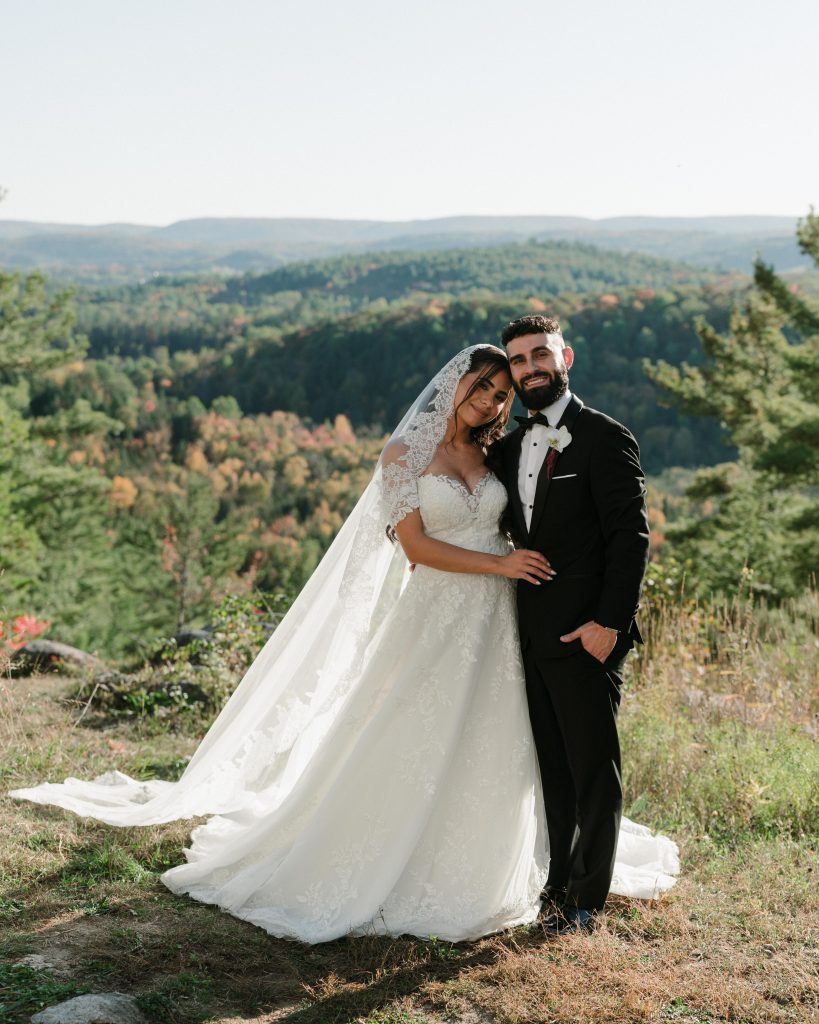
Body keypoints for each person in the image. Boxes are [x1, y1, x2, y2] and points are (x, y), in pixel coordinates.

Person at [11, 344, 678, 943]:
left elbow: (555, 521)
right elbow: (415, 544)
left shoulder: (497, 450)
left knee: (501, 740)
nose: (491, 402)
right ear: (453, 386)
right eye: (482, 388)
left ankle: (518, 865)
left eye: (500, 394)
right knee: (405, 728)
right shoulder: (403, 457)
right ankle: (382, 855)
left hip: (503, 619)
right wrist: (499, 564)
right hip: (440, 612)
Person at [488, 314, 654, 933]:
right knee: (551, 770)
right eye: (519, 360)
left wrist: (608, 625)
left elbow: (630, 541)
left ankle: (586, 901)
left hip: (586, 636)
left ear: (566, 358)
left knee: (593, 771)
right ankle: (556, 888)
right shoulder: (507, 446)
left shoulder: (605, 438)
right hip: (524, 636)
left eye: (540, 355)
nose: (530, 367)